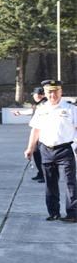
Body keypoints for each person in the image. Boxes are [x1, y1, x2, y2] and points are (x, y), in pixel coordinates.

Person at [24, 79, 77, 223]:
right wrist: (30, 148)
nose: (52, 95)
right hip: (46, 149)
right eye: (49, 92)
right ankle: (53, 212)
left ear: (61, 92)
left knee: (70, 183)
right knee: (50, 183)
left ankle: (72, 213)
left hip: (65, 149)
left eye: (55, 91)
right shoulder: (41, 109)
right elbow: (35, 130)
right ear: (45, 93)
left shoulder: (71, 109)